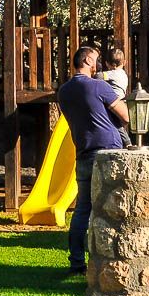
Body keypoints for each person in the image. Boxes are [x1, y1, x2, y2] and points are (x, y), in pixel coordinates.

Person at [58, 45, 129, 274]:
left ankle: (77, 262)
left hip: (83, 153)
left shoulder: (64, 92)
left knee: (82, 210)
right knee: (113, 208)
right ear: (88, 60)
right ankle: (111, 260)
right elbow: (126, 115)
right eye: (96, 59)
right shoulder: (99, 86)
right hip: (108, 154)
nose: (99, 64)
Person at [98, 48, 132, 147]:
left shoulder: (112, 73)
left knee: (116, 124)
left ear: (107, 64)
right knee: (118, 125)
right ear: (124, 62)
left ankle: (127, 143)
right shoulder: (123, 74)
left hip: (114, 102)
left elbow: (98, 76)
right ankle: (126, 142)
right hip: (123, 102)